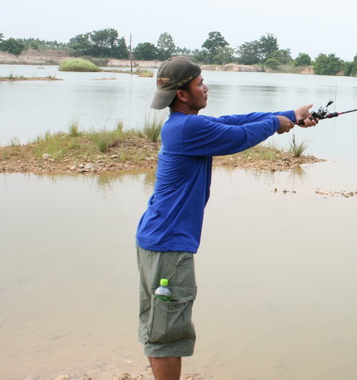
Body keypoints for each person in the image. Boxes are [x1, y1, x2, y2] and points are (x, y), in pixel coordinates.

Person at [135, 56, 318, 379]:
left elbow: (234, 121)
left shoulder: (184, 126)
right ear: (182, 94)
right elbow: (238, 138)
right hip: (168, 246)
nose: (206, 88)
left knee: (158, 324)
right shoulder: (187, 128)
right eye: (200, 83)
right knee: (168, 333)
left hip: (155, 241)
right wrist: (276, 124)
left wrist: (290, 115)